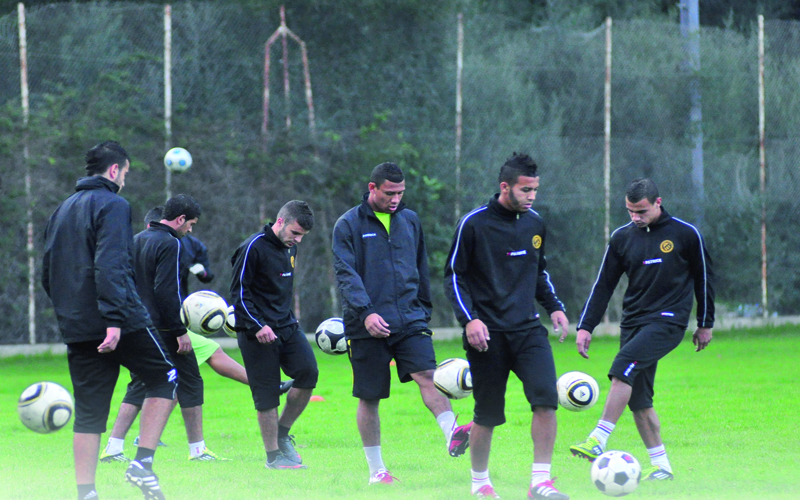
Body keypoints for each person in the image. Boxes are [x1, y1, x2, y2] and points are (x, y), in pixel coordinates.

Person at [41, 141, 176, 500]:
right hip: (119, 321)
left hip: (78, 326)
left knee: (89, 413)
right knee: (165, 377)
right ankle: (142, 465)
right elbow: (111, 262)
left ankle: (86, 493)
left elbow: (47, 272)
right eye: (125, 173)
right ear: (115, 170)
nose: (125, 181)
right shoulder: (114, 204)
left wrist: (72, 316)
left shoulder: (61, 209)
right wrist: (114, 320)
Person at [333, 162, 472, 486]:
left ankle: (452, 433)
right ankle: (377, 471)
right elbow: (345, 273)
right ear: (372, 188)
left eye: (400, 193)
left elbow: (420, 266)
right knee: (370, 396)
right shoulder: (348, 224)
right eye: (389, 193)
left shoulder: (410, 220)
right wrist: (366, 312)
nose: (395, 199)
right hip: (365, 323)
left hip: (410, 317)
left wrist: (423, 308)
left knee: (428, 375)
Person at [443, 153, 571, 500]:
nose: (532, 196)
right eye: (525, 190)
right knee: (487, 416)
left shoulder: (535, 224)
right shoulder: (473, 224)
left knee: (546, 400)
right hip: (487, 335)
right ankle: (480, 484)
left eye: (535, 190)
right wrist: (469, 319)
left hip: (528, 331)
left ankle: (540, 483)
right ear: (505, 186)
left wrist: (555, 308)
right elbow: (454, 276)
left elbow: (539, 272)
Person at [568, 178, 714, 481]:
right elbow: (603, 285)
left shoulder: (685, 234)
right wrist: (585, 326)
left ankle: (598, 439)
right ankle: (662, 468)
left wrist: (705, 323)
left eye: (642, 211)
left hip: (668, 321)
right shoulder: (622, 238)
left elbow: (704, 279)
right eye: (630, 211)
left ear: (658, 203)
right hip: (633, 322)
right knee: (639, 400)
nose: (635, 217)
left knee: (623, 365)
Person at [99, 196, 227, 463]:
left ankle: (112, 448)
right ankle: (198, 450)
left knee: (139, 384)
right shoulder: (171, 243)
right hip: (164, 329)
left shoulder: (136, 240)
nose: (190, 229)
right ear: (180, 219)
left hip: (137, 325)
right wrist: (179, 331)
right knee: (191, 381)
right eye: (191, 223)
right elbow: (166, 291)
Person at [230, 200, 319, 470]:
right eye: (295, 233)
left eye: (302, 235)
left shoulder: (290, 248)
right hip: (255, 332)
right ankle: (273, 458)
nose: (298, 240)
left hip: (287, 326)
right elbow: (238, 294)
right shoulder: (252, 247)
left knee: (308, 373)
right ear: (280, 222)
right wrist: (258, 325)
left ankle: (282, 433)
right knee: (267, 395)